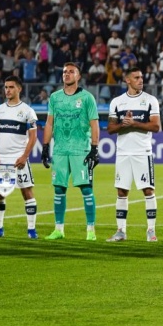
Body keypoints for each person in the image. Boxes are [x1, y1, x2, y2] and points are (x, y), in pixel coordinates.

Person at [41, 62, 100, 241]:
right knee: (59, 188)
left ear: (78, 76)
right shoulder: (55, 97)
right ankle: (59, 229)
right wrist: (45, 146)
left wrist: (94, 148)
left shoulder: (87, 98)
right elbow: (50, 122)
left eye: (71, 72)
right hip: (59, 150)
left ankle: (91, 230)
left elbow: (94, 123)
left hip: (80, 149)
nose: (66, 74)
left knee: (86, 188)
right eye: (65, 71)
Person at [107, 66, 162, 242]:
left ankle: (151, 231)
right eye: (136, 77)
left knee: (148, 190)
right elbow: (110, 128)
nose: (141, 80)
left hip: (142, 152)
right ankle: (121, 231)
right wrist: (123, 124)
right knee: (122, 192)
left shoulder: (150, 100)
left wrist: (134, 123)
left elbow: (155, 126)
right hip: (123, 153)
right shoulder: (117, 102)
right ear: (127, 80)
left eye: (141, 77)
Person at [0, 76, 40, 239]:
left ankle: (31, 230)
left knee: (27, 193)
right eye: (6, 87)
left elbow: (33, 136)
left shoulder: (27, 111)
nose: (7, 90)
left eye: (11, 87)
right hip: (1, 160)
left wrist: (24, 156)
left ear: (19, 89)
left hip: (18, 160)